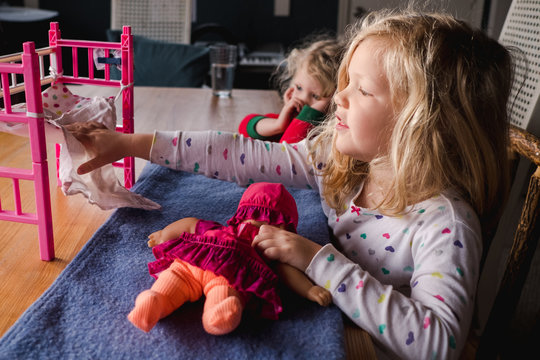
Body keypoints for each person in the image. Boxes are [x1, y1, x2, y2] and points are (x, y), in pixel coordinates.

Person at [67, 8, 513, 359]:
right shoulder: (342, 161)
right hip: (327, 318)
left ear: (422, 122)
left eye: (361, 89)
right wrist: (131, 143)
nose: (338, 97)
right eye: (344, 83)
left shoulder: (445, 223)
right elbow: (239, 154)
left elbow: (438, 346)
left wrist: (318, 260)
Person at [127, 182, 331, 335]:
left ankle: (205, 309)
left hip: (211, 266)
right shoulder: (232, 234)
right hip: (211, 265)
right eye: (261, 216)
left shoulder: (245, 239)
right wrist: (164, 234)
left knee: (197, 282)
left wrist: (309, 290)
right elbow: (191, 224)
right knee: (185, 277)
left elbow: (285, 270)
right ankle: (157, 300)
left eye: (275, 223)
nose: (265, 226)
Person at [237, 37, 343, 144]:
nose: (302, 98)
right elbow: (244, 128)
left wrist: (311, 114)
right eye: (299, 88)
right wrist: (278, 125)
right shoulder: (291, 120)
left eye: (316, 96)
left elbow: (288, 147)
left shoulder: (324, 135)